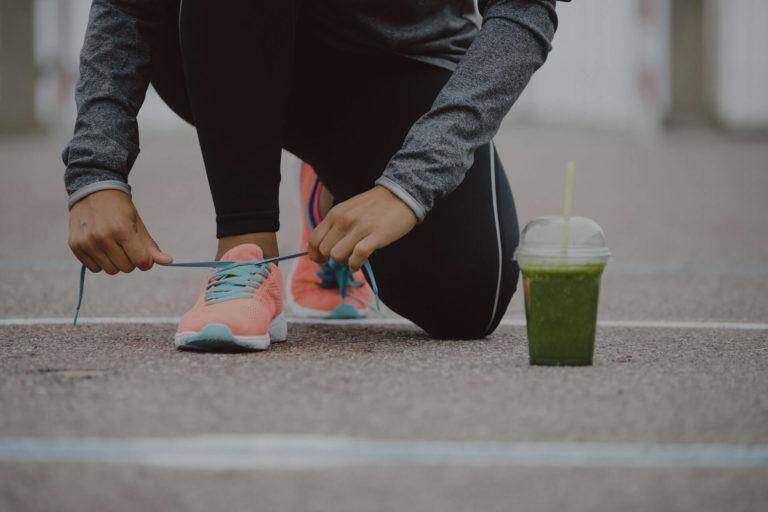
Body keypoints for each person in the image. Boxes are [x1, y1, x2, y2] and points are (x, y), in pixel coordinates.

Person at [64, 0, 563, 350]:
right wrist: (97, 170)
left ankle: (335, 182)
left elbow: (524, 8)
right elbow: (127, 4)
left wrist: (407, 186)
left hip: (400, 59)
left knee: (467, 304)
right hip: (225, 42)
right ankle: (246, 257)